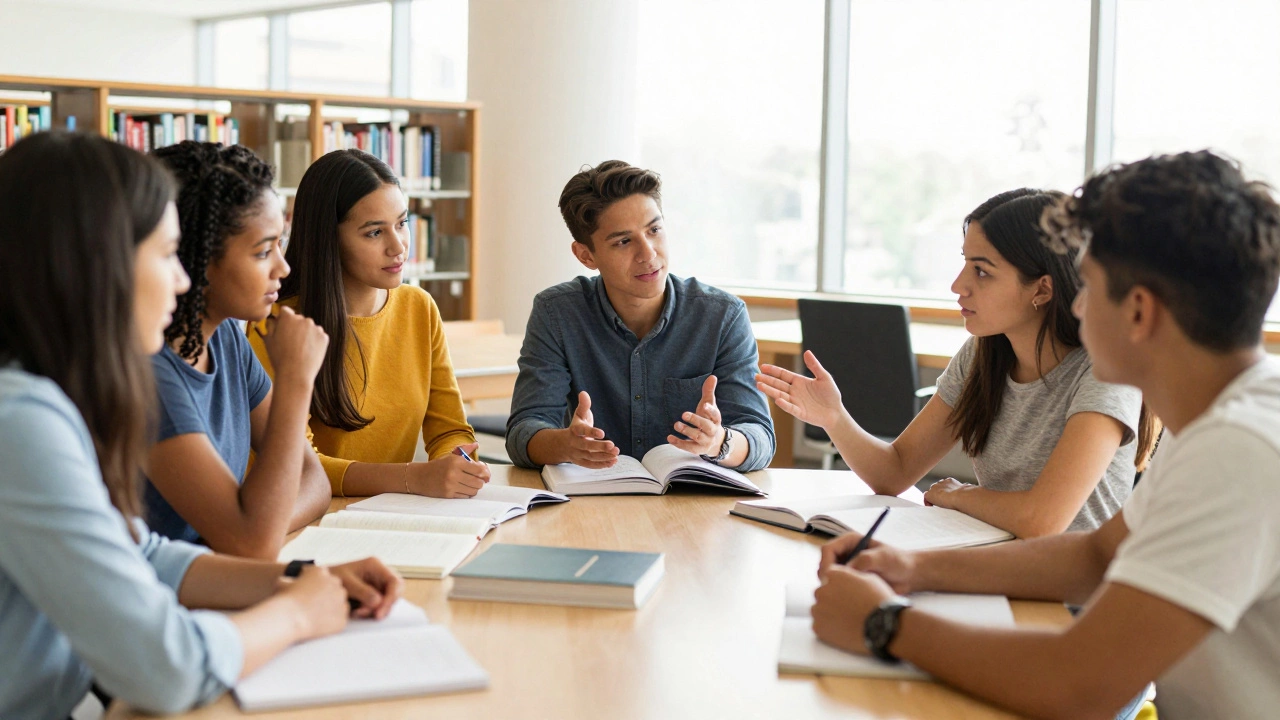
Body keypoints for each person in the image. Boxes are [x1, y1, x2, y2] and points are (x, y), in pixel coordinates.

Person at [811, 151, 1280, 720]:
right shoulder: (1226, 423)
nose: (1076, 304)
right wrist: (910, 568)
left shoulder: (1242, 449)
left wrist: (883, 623)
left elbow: (1082, 682)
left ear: (1138, 311)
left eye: (1090, 286)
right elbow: (1096, 554)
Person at [0, 132, 402, 720]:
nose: (182, 281)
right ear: (96, 263)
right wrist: (294, 612)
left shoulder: (52, 397)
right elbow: (166, 667)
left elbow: (143, 553)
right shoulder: (23, 422)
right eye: (166, 256)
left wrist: (302, 578)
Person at [757, 189, 1156, 537]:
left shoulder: (1105, 371)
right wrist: (835, 418)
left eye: (981, 271)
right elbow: (894, 473)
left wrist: (961, 496)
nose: (957, 285)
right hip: (996, 565)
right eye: (965, 263)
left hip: (1071, 602)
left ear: (1042, 289)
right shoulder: (982, 355)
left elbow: (1042, 521)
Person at [247, 149, 490, 499]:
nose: (399, 247)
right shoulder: (277, 325)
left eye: (402, 224)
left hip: (391, 516)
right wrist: (413, 479)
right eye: (374, 233)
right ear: (328, 239)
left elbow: (449, 428)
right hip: (306, 520)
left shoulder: (419, 308)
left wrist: (457, 463)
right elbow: (298, 466)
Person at [507, 160, 775, 471]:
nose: (648, 253)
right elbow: (524, 431)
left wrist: (719, 442)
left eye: (654, 230)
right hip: (592, 505)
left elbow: (760, 436)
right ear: (586, 255)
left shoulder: (723, 316)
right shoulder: (557, 313)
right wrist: (565, 445)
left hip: (692, 504)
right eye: (623, 241)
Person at [145, 141, 331, 558]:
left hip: (211, 584)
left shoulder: (227, 336)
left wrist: (256, 526)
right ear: (196, 259)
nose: (282, 268)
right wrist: (296, 382)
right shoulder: (148, 373)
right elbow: (253, 543)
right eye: (263, 251)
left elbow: (312, 478)